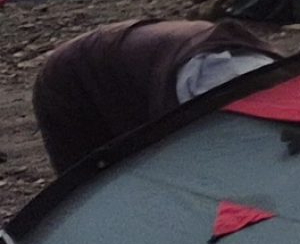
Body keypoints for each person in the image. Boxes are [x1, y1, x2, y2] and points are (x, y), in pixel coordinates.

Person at [31, 16, 278, 174]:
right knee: (87, 188)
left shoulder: (276, 76)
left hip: (143, 57)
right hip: (70, 77)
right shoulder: (204, 92)